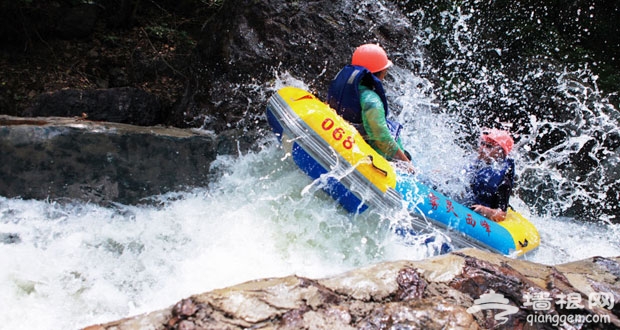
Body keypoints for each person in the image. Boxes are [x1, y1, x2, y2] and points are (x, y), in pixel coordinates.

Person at [327, 43, 412, 164]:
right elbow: (381, 138)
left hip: (343, 137)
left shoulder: (342, 85)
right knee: (408, 158)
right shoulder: (371, 101)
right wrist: (406, 164)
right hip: (375, 154)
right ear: (380, 71)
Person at [466, 128, 515, 222]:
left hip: (487, 208)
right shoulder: (474, 163)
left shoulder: (503, 180)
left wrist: (485, 211)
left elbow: (501, 214)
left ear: (500, 154)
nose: (482, 149)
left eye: (489, 146)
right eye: (482, 143)